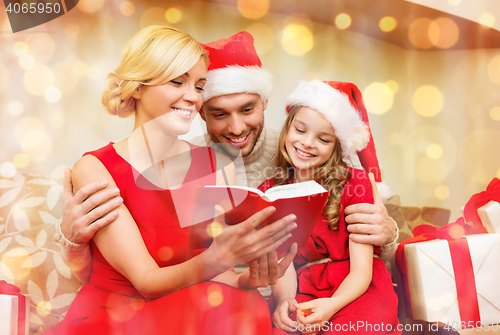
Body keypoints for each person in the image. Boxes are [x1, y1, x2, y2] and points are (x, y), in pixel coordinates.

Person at [55, 31, 398, 284]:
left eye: (247, 109)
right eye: (219, 114)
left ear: (265, 102)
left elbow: (362, 234)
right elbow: (143, 271)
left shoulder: (306, 145)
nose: (236, 128)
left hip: (305, 293)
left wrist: (388, 233)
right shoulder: (192, 155)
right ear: (204, 114)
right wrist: (72, 242)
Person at [46, 26, 299, 335]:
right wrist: (219, 257)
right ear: (138, 87)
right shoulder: (96, 168)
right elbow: (147, 282)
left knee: (247, 305)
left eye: (199, 86)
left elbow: (214, 277)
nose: (192, 97)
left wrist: (248, 280)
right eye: (178, 82)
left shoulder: (216, 164)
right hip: (117, 315)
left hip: (193, 307)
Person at [265, 80, 400, 335]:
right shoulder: (270, 190)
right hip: (302, 289)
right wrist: (285, 301)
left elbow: (362, 270)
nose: (307, 143)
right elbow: (283, 263)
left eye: (323, 139)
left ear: (336, 146)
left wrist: (332, 305)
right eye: (300, 130)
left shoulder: (355, 184)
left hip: (357, 289)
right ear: (288, 127)